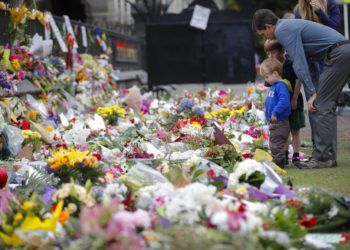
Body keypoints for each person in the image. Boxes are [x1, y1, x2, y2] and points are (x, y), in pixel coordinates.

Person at [252, 9, 350, 169]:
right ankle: (327, 156)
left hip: (339, 54)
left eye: (263, 34)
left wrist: (312, 93)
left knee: (320, 105)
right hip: (343, 51)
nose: (266, 38)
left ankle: (324, 158)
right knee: (324, 105)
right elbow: (309, 63)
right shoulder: (289, 26)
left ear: (269, 27)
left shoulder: (282, 30)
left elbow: (299, 63)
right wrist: (315, 90)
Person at [264, 40, 306, 166]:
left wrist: (293, 99)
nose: (271, 55)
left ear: (281, 51)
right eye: (268, 53)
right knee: (283, 130)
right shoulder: (271, 65)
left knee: (295, 129)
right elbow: (269, 86)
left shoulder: (289, 63)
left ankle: (296, 155)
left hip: (293, 99)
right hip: (279, 105)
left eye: (273, 52)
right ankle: (285, 155)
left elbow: (298, 80)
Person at [260, 58, 291, 168]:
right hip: (276, 121)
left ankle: (278, 162)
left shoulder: (280, 86)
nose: (266, 80)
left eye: (267, 77)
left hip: (279, 121)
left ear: (275, 73)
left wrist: (275, 112)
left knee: (275, 143)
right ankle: (279, 160)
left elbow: (284, 101)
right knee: (275, 142)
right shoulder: (275, 86)